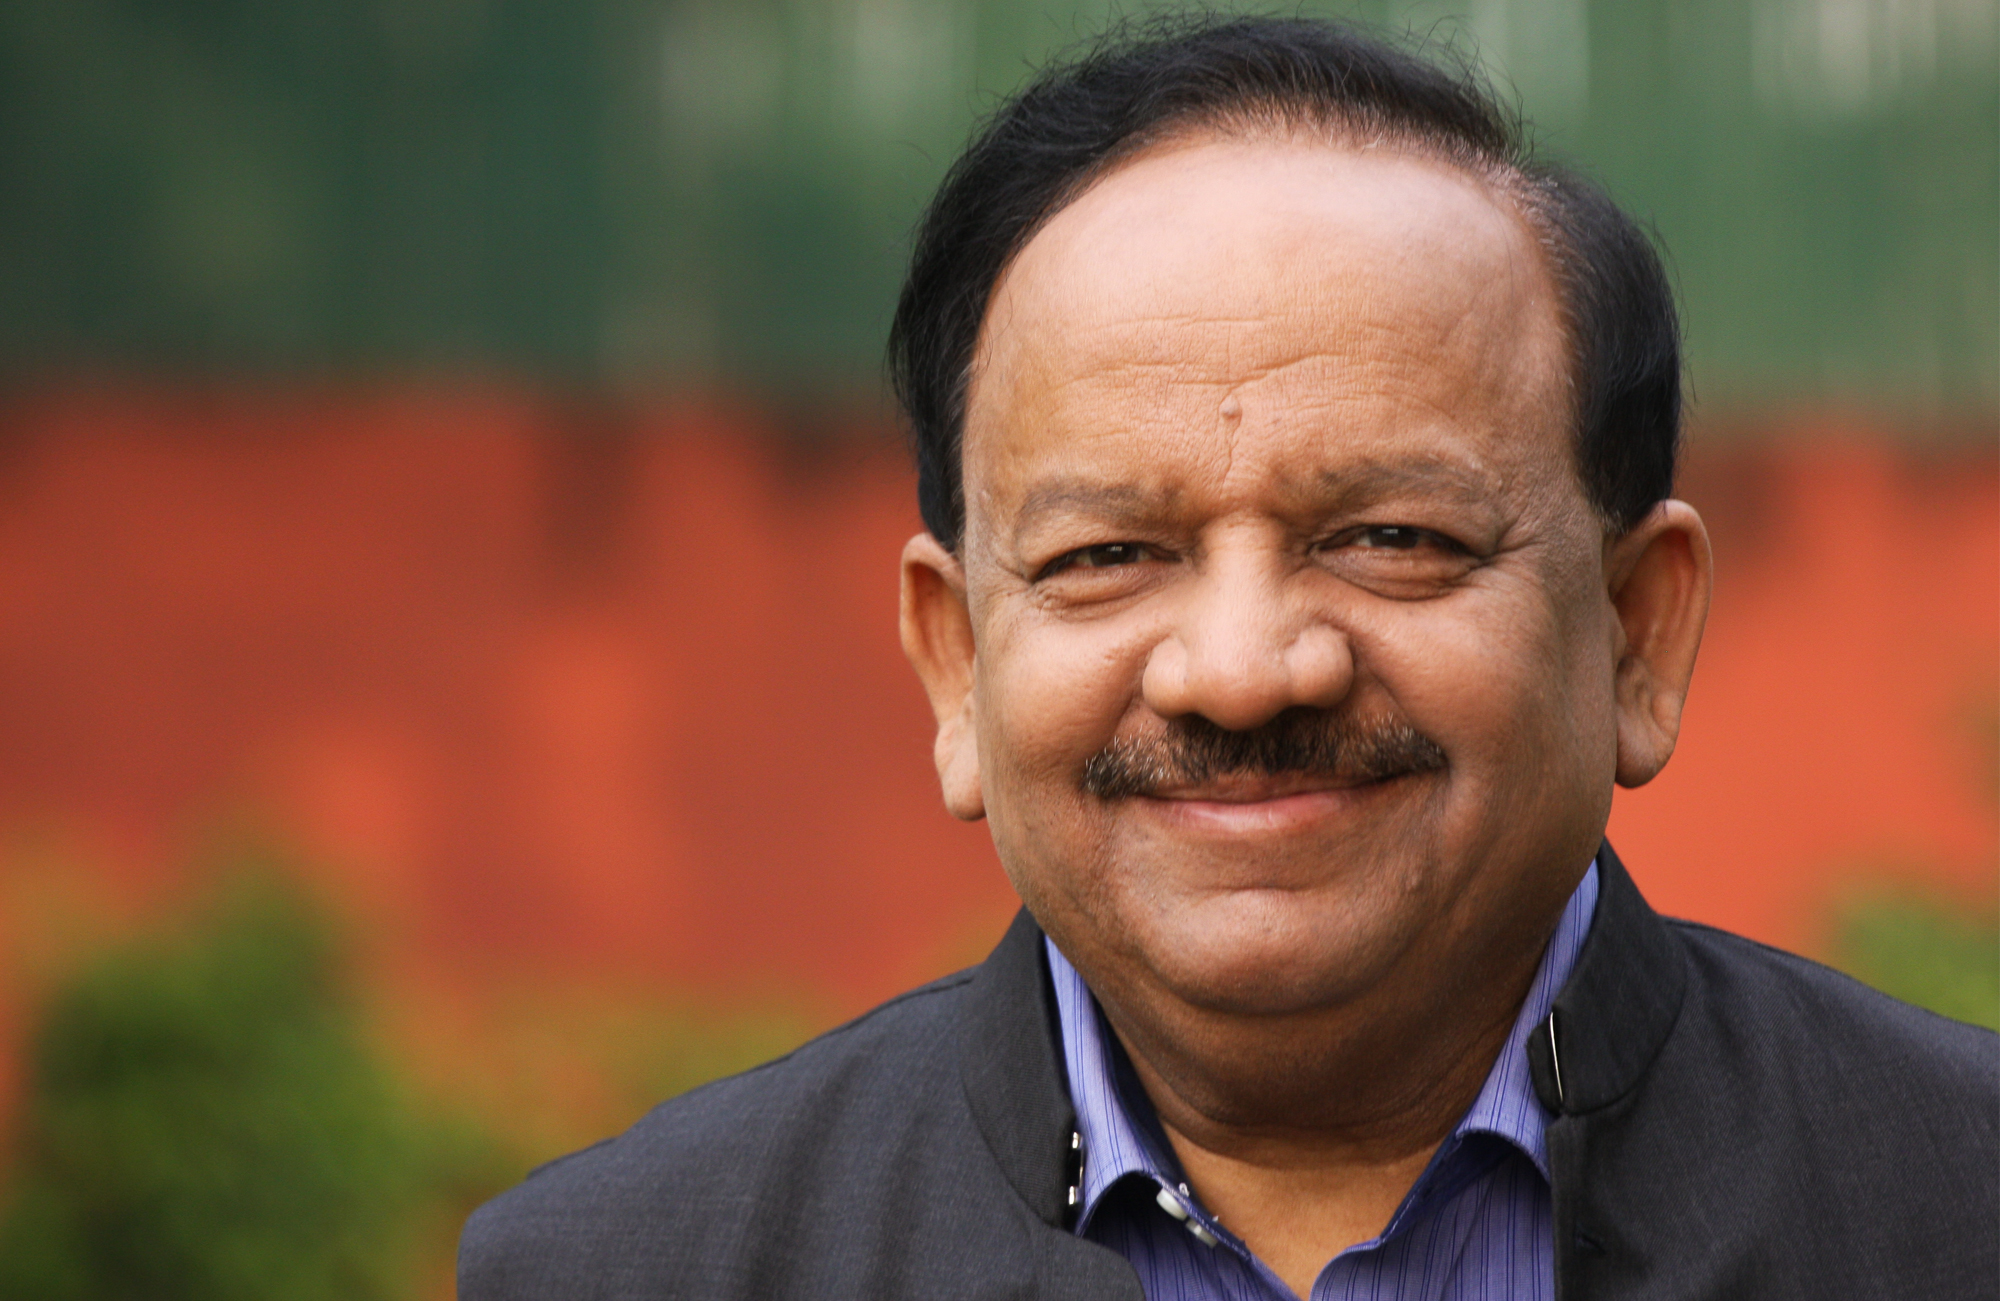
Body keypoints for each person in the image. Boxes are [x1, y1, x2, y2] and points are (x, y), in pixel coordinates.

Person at [459, 15, 1997, 1299]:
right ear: (956, 664)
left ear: (1637, 630)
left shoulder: (1957, 1207)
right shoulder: (636, 1269)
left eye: (1390, 535)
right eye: (1106, 555)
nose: (1246, 671)